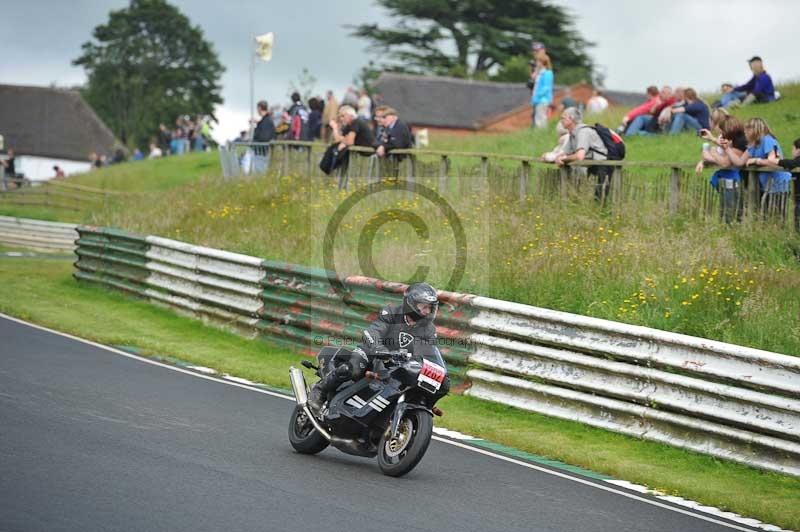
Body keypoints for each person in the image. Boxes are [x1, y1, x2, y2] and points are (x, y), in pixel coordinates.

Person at [307, 282, 448, 415]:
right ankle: (320, 391)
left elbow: (428, 353)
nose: (427, 311)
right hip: (372, 352)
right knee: (352, 369)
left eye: (430, 307)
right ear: (411, 304)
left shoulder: (428, 330)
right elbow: (374, 331)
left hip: (398, 364)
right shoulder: (392, 313)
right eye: (424, 306)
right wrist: (381, 350)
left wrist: (437, 372)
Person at [695, 111, 747, 222]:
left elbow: (725, 163)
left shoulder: (740, 141)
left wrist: (712, 152)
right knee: (728, 210)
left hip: (738, 179)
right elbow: (723, 150)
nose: (721, 133)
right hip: (730, 179)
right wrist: (703, 161)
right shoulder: (733, 138)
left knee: (733, 213)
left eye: (722, 130)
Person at [550, 107, 612, 201]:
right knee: (591, 198)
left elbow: (579, 156)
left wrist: (563, 159)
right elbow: (563, 153)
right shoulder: (572, 134)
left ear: (571, 119)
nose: (561, 120)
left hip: (603, 166)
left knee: (600, 200)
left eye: (563, 118)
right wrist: (559, 157)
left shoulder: (583, 132)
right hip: (593, 166)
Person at [530, 55, 554, 129]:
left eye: (538, 61)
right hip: (537, 100)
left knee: (541, 118)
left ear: (542, 62)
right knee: (537, 118)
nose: (536, 63)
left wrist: (537, 95)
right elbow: (534, 79)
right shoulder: (540, 73)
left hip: (543, 99)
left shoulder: (547, 73)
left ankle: (542, 133)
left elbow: (546, 87)